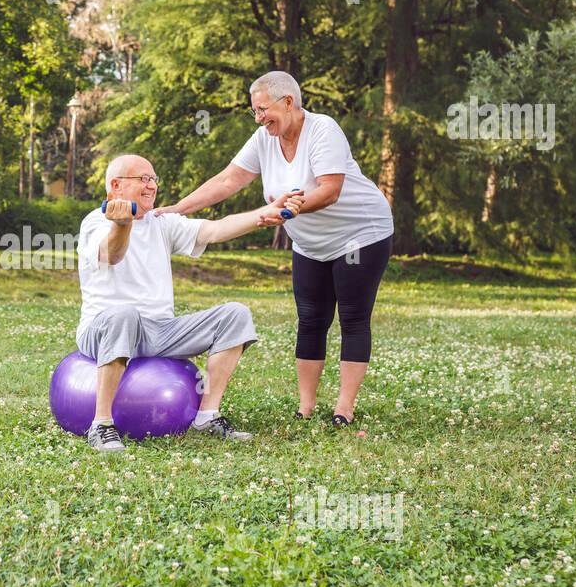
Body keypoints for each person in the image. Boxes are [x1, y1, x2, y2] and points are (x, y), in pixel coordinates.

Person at [156, 71, 393, 426]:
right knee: (311, 319)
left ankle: (344, 408)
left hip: (360, 234)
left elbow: (330, 190)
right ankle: (306, 407)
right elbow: (228, 180)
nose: (258, 117)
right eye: (254, 111)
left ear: (288, 102)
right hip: (310, 242)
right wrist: (178, 209)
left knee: (353, 317)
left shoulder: (323, 130)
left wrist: (289, 209)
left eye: (263, 109)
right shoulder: (263, 139)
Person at [75, 153, 301, 452]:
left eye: (153, 179)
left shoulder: (161, 222)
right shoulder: (96, 221)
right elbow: (112, 255)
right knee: (124, 315)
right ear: (115, 186)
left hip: (160, 330)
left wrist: (266, 212)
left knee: (235, 315)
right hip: (104, 330)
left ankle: (206, 416)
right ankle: (101, 425)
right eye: (143, 178)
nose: (151, 185)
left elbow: (216, 229)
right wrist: (121, 225)